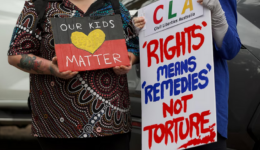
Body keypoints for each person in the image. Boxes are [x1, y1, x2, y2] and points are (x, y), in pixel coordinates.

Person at [7, 0, 139, 150]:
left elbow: (135, 46)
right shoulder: (39, 5)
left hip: (112, 123)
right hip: (58, 125)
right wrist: (50, 67)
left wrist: (128, 60)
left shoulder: (113, 5)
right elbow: (16, 54)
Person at [133, 0, 241, 149]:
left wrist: (216, 12)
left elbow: (231, 49)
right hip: (165, 119)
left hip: (204, 117)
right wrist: (141, 33)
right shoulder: (155, 4)